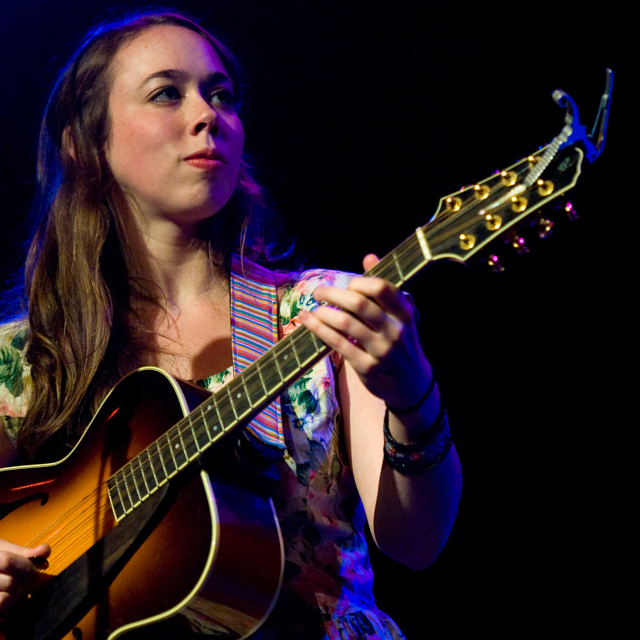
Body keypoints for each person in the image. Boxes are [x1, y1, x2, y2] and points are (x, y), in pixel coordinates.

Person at [0, 10, 461, 639]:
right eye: (167, 93)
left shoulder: (322, 310)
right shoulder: (24, 357)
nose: (207, 114)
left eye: (221, 95)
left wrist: (412, 393)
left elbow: (416, 543)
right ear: (85, 143)